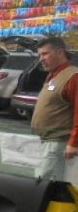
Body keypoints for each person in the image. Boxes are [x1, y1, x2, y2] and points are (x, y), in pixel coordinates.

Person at [31, 36, 78, 180]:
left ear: (60, 52)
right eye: (39, 55)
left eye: (45, 54)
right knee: (43, 183)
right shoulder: (52, 76)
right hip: (45, 142)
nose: (41, 59)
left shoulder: (73, 77)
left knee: (45, 185)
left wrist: (74, 143)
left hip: (58, 144)